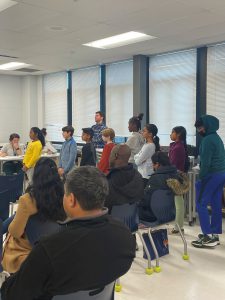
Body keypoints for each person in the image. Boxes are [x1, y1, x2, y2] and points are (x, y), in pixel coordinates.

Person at [1, 166, 136, 300]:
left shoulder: (49, 249)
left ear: (71, 199)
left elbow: (11, 294)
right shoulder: (125, 236)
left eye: (64, 194)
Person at [1, 157, 65, 274]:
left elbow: (15, 232)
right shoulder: (63, 195)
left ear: (36, 175)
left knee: (5, 227)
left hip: (26, 251)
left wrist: (18, 216)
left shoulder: (28, 199)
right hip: (52, 246)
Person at [192, 115, 225, 248]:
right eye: (198, 128)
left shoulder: (207, 140)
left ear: (207, 126)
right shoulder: (217, 138)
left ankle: (207, 236)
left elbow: (205, 163)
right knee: (216, 202)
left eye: (201, 127)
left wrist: (201, 178)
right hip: (221, 173)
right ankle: (214, 233)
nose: (199, 130)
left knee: (201, 203)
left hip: (211, 175)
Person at [139, 152, 178, 222]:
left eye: (153, 164)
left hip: (154, 216)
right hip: (171, 213)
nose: (153, 167)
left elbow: (145, 201)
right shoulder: (176, 175)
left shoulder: (155, 178)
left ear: (157, 164)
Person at [105, 144, 144, 213]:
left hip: (111, 221)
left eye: (111, 154)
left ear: (115, 156)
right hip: (131, 218)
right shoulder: (138, 176)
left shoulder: (108, 182)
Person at [169, 126, 189, 234]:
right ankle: (179, 225)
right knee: (178, 202)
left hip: (176, 177)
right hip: (177, 176)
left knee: (178, 202)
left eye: (172, 132)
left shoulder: (178, 148)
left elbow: (173, 164)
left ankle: (178, 226)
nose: (170, 134)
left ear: (178, 134)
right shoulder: (177, 146)